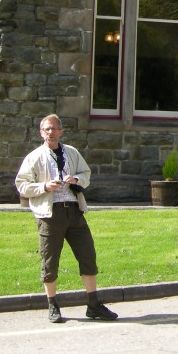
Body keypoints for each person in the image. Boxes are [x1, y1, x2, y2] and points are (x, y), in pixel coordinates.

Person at [15, 114, 118, 323]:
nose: (51, 133)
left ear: (61, 131)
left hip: (74, 211)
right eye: (47, 130)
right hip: (50, 214)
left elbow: (86, 173)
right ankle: (52, 304)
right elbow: (22, 185)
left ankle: (93, 304)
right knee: (50, 260)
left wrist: (76, 179)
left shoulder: (71, 152)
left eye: (54, 129)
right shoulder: (34, 157)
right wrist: (44, 186)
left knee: (88, 256)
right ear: (41, 133)